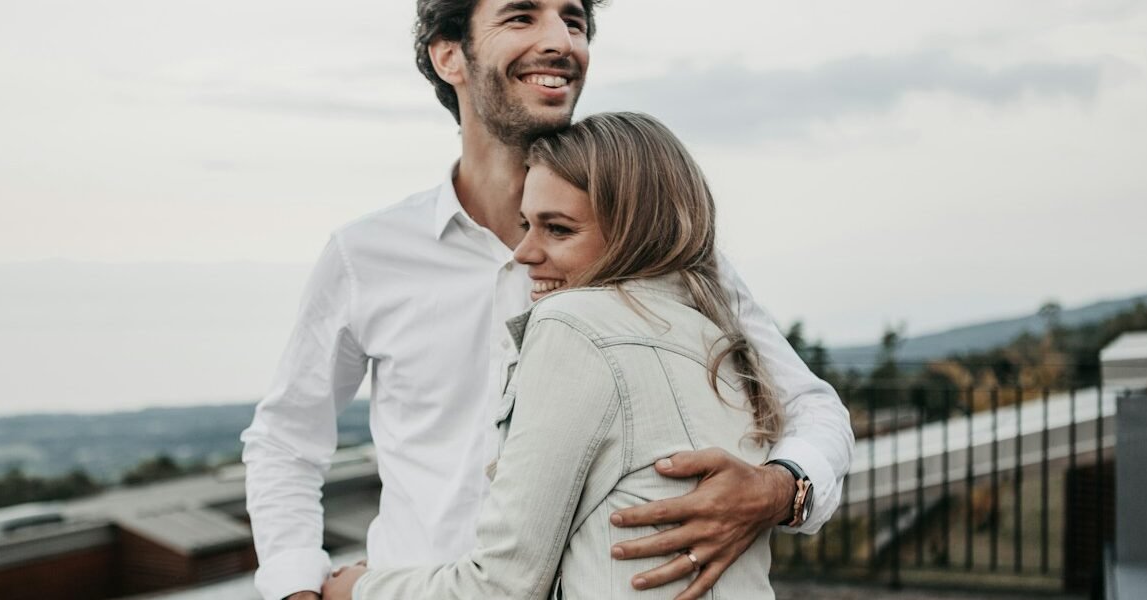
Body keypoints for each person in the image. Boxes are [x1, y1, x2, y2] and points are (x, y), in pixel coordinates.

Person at [240, 2, 854, 599]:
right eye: (522, 14)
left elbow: (810, 406)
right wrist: (297, 584)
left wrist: (779, 489)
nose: (561, 39)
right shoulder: (365, 254)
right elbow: (286, 440)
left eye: (574, 19)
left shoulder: (659, 249)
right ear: (450, 54)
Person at [321, 111, 796, 600]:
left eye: (559, 230)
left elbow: (502, 587)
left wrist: (357, 589)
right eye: (527, 224)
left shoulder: (572, 325)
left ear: (635, 230)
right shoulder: (720, 338)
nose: (524, 252)